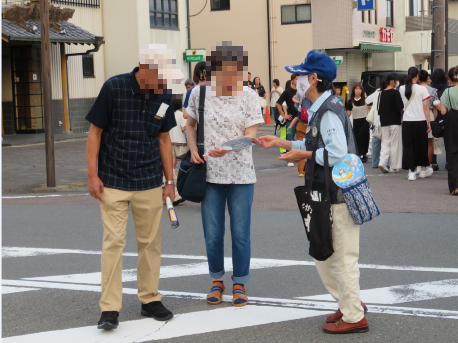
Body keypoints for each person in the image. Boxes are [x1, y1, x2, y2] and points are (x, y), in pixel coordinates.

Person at [255, 50, 369, 335]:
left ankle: (354, 316)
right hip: (327, 192)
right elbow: (312, 141)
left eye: (301, 76)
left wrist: (300, 154)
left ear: (314, 78)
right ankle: (347, 304)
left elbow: (337, 152)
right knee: (326, 253)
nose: (297, 81)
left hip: (335, 193)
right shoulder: (322, 107)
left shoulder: (328, 109)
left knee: (339, 256)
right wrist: (280, 141)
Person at [86, 44, 183, 330]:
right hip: (113, 179)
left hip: (150, 181)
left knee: (150, 243)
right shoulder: (113, 88)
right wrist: (93, 176)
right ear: (147, 69)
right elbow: (95, 134)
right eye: (162, 75)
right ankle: (109, 308)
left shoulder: (163, 95)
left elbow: (165, 140)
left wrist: (169, 182)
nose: (166, 82)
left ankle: (150, 299)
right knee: (113, 243)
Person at [186, 42, 264, 308]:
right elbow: (189, 125)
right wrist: (193, 149)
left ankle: (239, 282)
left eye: (236, 73)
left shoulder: (250, 95)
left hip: (241, 174)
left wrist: (227, 148)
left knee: (241, 232)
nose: (231, 79)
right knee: (213, 233)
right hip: (209, 173)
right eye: (225, 73)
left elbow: (252, 136)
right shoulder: (199, 93)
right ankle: (217, 280)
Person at [399, 67, 433, 180]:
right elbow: (426, 107)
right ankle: (423, 169)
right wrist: (429, 122)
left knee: (408, 146)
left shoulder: (402, 88)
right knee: (421, 145)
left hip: (407, 122)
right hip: (420, 121)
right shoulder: (422, 89)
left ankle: (411, 172)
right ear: (417, 76)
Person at [377, 73, 404, 173]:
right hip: (395, 121)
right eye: (396, 81)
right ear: (392, 82)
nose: (397, 83)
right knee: (394, 144)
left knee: (385, 142)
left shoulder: (381, 93)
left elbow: (379, 109)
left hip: (384, 121)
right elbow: (400, 107)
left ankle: (382, 162)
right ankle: (394, 166)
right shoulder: (395, 93)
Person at [439, 65, 458, 195]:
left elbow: (443, 110)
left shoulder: (448, 92)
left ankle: (456, 187)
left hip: (453, 124)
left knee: (452, 155)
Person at [277, 73, 299, 166]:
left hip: (302, 118)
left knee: (303, 138)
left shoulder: (303, 91)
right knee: (289, 138)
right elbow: (278, 103)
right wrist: (284, 115)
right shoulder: (287, 92)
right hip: (291, 118)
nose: (298, 81)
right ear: (292, 80)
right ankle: (290, 159)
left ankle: (302, 158)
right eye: (297, 79)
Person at [365, 76, 387, 169]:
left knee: (376, 142)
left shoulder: (377, 92)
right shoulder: (391, 92)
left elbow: (366, 100)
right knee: (387, 142)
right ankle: (386, 163)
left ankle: (375, 163)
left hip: (376, 121)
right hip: (386, 120)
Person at [170, 98, 188, 205]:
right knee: (185, 158)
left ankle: (171, 173)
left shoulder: (169, 115)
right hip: (180, 140)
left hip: (171, 140)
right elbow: (183, 128)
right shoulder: (181, 115)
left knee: (172, 159)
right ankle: (185, 175)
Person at [419, 70, 438, 166]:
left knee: (418, 142)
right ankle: (428, 165)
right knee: (429, 143)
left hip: (417, 115)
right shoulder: (433, 91)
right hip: (429, 114)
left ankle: (418, 165)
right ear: (427, 78)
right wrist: (435, 120)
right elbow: (435, 108)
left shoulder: (415, 89)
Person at [347, 84, 370, 162]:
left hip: (365, 121)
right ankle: (359, 155)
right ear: (353, 90)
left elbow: (370, 110)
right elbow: (348, 113)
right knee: (356, 138)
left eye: (359, 89)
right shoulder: (350, 101)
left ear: (362, 91)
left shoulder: (366, 100)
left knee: (363, 137)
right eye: (356, 89)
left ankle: (364, 154)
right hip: (355, 121)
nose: (358, 91)